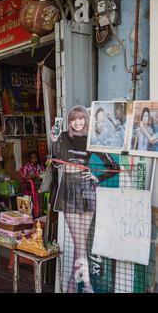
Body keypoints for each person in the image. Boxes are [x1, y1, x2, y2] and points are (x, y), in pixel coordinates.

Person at [51, 106, 119, 293]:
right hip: (68, 189)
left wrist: (98, 177)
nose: (78, 122)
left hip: (87, 190)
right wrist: (54, 141)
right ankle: (86, 285)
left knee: (80, 243)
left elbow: (113, 165)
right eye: (74, 119)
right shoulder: (64, 136)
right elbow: (56, 160)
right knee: (80, 242)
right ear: (69, 121)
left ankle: (74, 285)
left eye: (81, 119)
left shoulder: (92, 139)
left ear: (86, 120)